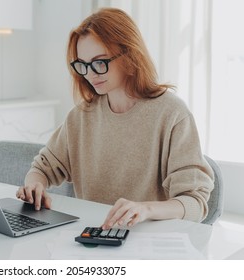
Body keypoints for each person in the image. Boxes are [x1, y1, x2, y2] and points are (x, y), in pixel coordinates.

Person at [16, 7, 214, 229]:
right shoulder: (81, 116)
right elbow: (42, 168)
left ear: (129, 55)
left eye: (100, 62)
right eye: (83, 65)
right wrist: (34, 185)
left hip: (147, 242)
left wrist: (145, 209)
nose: (90, 74)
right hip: (90, 237)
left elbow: (195, 203)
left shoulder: (172, 115)